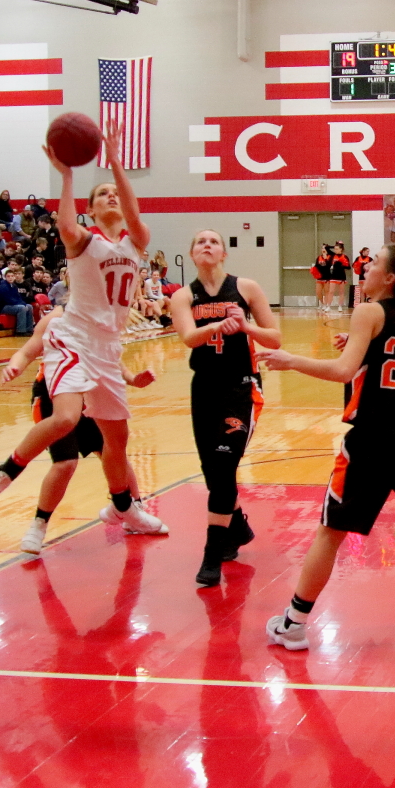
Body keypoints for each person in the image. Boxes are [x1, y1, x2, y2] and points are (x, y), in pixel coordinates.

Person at [254, 244, 395, 649]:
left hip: (373, 437)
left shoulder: (369, 311)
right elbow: (383, 358)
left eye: (375, 263)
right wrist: (360, 345)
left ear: (389, 278)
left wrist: (291, 360)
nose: (367, 268)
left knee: (331, 531)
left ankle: (294, 623)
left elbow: (343, 371)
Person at [0, 122, 166, 536]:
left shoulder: (135, 241)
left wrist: (115, 163)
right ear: (90, 209)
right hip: (72, 338)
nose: (111, 195)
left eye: (114, 192)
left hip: (109, 348)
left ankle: (125, 508)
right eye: (102, 194)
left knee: (118, 440)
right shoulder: (84, 241)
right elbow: (65, 226)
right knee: (66, 418)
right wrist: (69, 175)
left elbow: (133, 209)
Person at [170, 229, 282, 588]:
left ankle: (212, 553)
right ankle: (238, 528)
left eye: (213, 241)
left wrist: (245, 326)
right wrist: (219, 324)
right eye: (199, 241)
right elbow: (189, 338)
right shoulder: (184, 296)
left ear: (223, 254)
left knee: (223, 461)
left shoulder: (246, 288)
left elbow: (274, 337)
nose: (206, 245)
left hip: (241, 386)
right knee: (212, 471)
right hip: (203, 386)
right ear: (191, 254)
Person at [0, 312, 160, 555]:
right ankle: (38, 525)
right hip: (55, 394)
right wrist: (15, 366)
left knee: (113, 449)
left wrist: (133, 380)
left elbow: (113, 361)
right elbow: (27, 351)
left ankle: (134, 509)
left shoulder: (103, 317)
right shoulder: (56, 317)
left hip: (91, 391)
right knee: (65, 463)